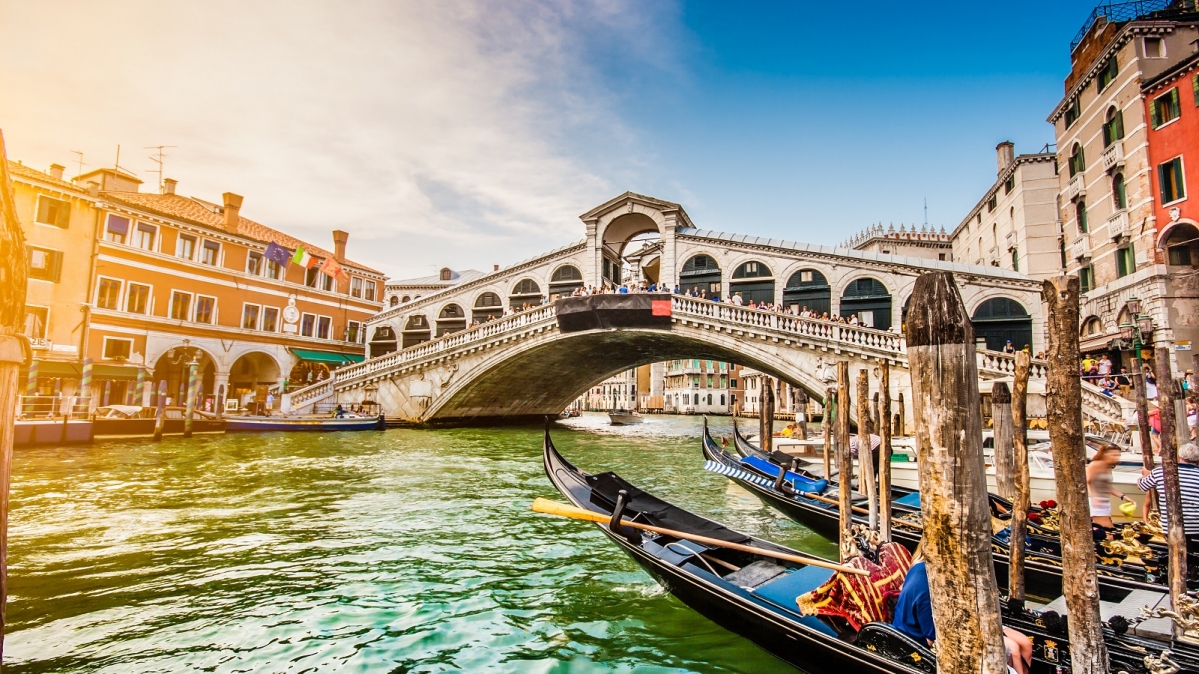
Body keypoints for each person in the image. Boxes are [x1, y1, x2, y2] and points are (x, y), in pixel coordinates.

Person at [893, 558, 1032, 673]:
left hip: (966, 622)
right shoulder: (925, 584)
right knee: (1013, 649)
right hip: (923, 644)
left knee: (1024, 644)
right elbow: (933, 638)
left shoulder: (936, 571)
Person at [1138, 442, 1199, 535]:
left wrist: (1146, 475)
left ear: (1178, 457)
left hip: (1171, 529)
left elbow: (1141, 486)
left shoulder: (1160, 472)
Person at [1088, 443, 1133, 529]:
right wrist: (1094, 498)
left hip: (1104, 501)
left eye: (1118, 455)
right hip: (1096, 502)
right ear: (1105, 454)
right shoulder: (1095, 465)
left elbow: (1107, 487)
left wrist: (1123, 496)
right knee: (1109, 529)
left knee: (1100, 529)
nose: (1116, 457)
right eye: (1114, 455)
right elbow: (1087, 482)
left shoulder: (1108, 467)